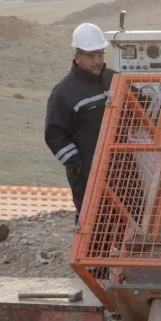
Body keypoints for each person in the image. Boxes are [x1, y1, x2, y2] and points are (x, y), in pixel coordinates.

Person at [45, 23, 116, 225]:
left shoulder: (114, 79)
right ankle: (93, 257)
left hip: (121, 168)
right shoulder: (64, 93)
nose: (97, 61)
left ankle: (121, 257)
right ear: (78, 57)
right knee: (95, 223)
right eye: (91, 56)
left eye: (100, 55)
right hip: (88, 174)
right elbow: (54, 135)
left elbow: (139, 105)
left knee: (130, 216)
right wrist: (78, 166)